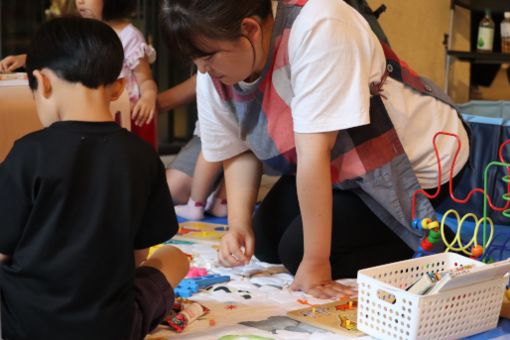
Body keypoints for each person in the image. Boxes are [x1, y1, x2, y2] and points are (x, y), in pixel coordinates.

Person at [160, 0, 470, 299]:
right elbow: (239, 149)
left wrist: (316, 262)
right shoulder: (212, 73)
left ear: (250, 29)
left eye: (209, 58)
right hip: (340, 169)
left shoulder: (320, 25)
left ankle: (417, 241)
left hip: (410, 167)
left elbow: (314, 153)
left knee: (298, 254)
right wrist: (238, 225)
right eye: (196, 62)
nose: (203, 71)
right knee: (264, 240)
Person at [0, 17, 189, 340]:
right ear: (118, 88)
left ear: (42, 83)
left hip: (24, 326)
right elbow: (138, 256)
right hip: (111, 328)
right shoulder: (142, 156)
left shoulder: (27, 152)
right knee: (174, 258)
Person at [0, 0, 158, 148]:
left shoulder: (129, 36)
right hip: (93, 113)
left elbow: (146, 80)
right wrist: (24, 59)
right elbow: (63, 58)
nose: (80, 1)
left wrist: (148, 97)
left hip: (128, 116)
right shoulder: (83, 31)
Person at [158, 75, 228, 219]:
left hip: (217, 135)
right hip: (227, 135)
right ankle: (221, 201)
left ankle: (197, 203)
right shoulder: (208, 75)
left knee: (217, 142)